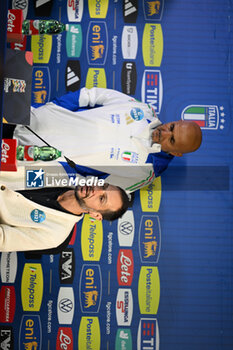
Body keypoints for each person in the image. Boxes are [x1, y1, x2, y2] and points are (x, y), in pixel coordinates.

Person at [8, 88, 202, 192]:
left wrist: (49, 169)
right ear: (176, 121)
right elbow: (92, 95)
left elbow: (91, 186)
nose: (164, 133)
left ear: (176, 153)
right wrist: (53, 108)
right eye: (171, 127)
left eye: (173, 140)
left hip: (27, 160)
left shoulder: (145, 173)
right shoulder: (143, 110)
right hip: (30, 117)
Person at [0, 182, 130, 252]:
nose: (95, 189)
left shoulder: (55, 235)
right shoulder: (62, 172)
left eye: (101, 198)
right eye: (102, 186)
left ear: (96, 215)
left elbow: (3, 240)